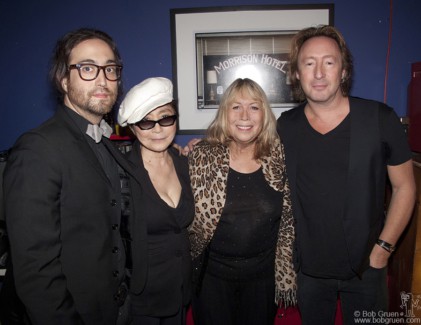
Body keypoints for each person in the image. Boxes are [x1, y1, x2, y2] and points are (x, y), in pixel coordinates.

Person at [3, 28, 146, 325]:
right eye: (88, 68)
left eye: (110, 69)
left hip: (118, 309)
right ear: (63, 79)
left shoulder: (106, 142)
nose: (103, 79)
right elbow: (35, 271)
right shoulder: (38, 148)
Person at [277, 25, 416, 324]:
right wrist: (202, 150)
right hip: (309, 273)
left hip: (367, 268)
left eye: (329, 62)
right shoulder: (285, 126)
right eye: (308, 63)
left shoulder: (380, 118)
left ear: (343, 71)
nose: (318, 73)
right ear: (297, 73)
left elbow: (405, 188)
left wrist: (383, 250)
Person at [188, 78, 296, 325]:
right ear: (224, 114)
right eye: (236, 106)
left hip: (263, 280)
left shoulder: (282, 157)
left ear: (264, 115)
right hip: (211, 280)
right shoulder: (200, 156)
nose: (245, 115)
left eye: (254, 107)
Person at [117, 77, 194, 324]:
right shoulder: (122, 173)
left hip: (181, 293)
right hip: (139, 300)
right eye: (146, 122)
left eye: (165, 117)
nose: (158, 129)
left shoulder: (186, 164)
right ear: (133, 127)